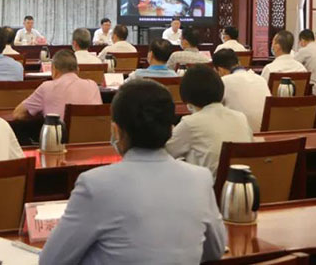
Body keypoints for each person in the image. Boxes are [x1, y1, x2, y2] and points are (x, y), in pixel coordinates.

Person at [39, 80, 227, 264]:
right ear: (171, 129)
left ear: (116, 131)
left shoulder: (95, 185)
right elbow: (215, 250)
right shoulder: (200, 179)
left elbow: (51, 260)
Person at [166, 65, 252, 176]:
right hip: (241, 182)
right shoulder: (241, 117)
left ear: (186, 95)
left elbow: (163, 154)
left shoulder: (190, 123)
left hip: (207, 185)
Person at [13, 50, 101, 120]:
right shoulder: (93, 85)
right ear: (78, 70)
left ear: (54, 70)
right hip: (94, 136)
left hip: (60, 136)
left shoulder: (46, 87)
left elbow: (17, 114)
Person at [213, 49, 271, 132]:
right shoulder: (261, 79)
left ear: (220, 70)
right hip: (266, 134)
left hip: (240, 135)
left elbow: (213, 111)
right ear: (239, 63)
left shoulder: (223, 82)